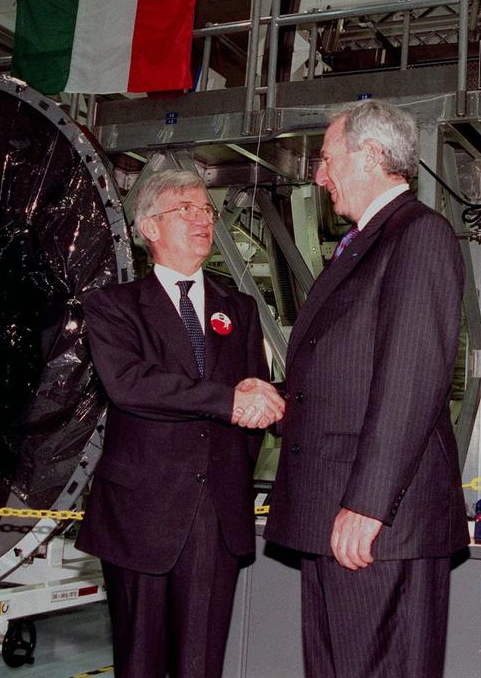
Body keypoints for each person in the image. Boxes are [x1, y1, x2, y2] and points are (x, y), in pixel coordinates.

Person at [264, 100, 469, 678]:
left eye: (327, 159)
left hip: (377, 524)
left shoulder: (418, 236)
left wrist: (367, 503)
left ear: (371, 155)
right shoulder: (365, 241)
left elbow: (410, 381)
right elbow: (350, 372)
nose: (318, 175)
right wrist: (280, 396)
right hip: (339, 514)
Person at [76, 168, 285, 678]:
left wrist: (261, 408)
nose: (202, 220)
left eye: (207, 210)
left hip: (216, 511)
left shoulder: (239, 307)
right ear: (150, 227)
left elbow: (252, 393)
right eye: (185, 210)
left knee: (201, 663)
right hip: (140, 513)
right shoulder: (113, 307)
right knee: (140, 662)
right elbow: (131, 385)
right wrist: (228, 402)